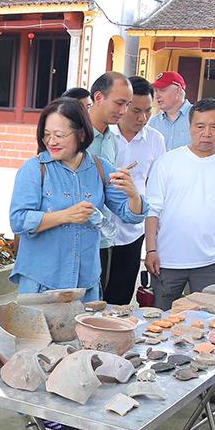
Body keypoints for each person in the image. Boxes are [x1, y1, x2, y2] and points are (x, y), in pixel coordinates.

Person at [10, 97, 147, 430]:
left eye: (60, 134)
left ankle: (65, 407)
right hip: (42, 278)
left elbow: (130, 214)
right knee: (39, 349)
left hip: (84, 279)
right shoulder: (35, 169)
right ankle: (41, 412)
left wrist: (133, 193)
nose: (51, 141)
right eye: (46, 134)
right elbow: (18, 219)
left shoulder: (98, 167)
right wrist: (63, 216)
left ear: (80, 134)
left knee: (76, 346)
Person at [144, 99, 215, 310]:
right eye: (200, 126)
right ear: (190, 127)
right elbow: (152, 210)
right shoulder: (167, 162)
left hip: (211, 262)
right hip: (167, 261)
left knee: (207, 322)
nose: (207, 133)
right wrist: (151, 250)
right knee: (160, 320)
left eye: (214, 126)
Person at [104, 76, 165, 305]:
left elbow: (155, 187)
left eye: (148, 111)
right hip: (102, 228)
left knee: (120, 296)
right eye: (136, 110)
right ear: (123, 106)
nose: (143, 118)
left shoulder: (155, 140)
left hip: (133, 230)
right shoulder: (105, 135)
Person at [87, 71, 133, 290]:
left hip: (103, 237)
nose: (124, 111)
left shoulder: (112, 140)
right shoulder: (74, 136)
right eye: (120, 103)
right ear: (98, 97)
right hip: (76, 239)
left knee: (95, 307)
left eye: (127, 104)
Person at [149, 71, 193, 151]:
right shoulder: (154, 123)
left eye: (162, 90)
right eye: (156, 91)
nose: (157, 96)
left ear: (178, 90)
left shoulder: (198, 117)